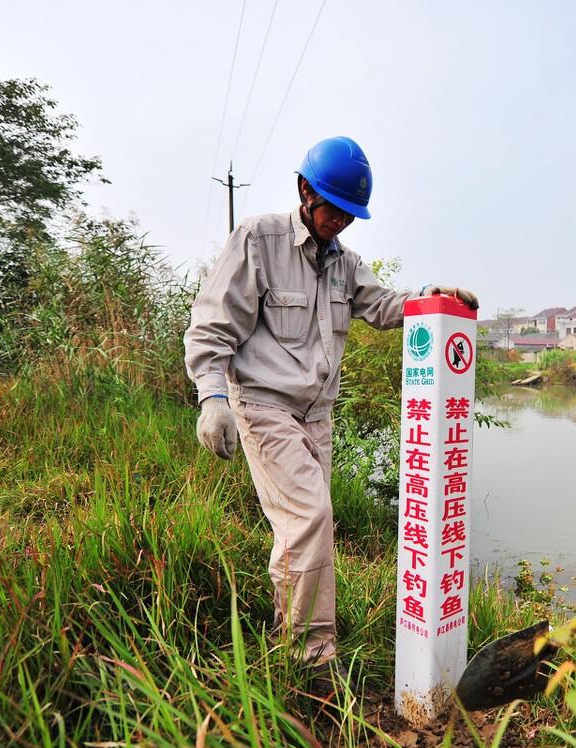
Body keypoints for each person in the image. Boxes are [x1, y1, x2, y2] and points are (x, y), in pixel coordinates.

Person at [183, 136, 478, 693]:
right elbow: (212, 326)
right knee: (311, 517)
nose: (339, 222)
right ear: (304, 191)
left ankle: (287, 632)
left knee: (300, 530)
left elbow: (385, 305)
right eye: (332, 209)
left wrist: (427, 297)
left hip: (317, 416)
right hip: (265, 404)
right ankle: (312, 660)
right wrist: (212, 398)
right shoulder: (258, 241)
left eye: (349, 214)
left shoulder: (345, 263)